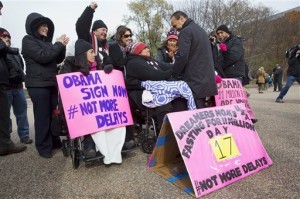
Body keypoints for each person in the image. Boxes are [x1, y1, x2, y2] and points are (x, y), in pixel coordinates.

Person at [22, 12, 69, 158]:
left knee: (52, 115)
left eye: (47, 26)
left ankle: (53, 140)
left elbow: (57, 58)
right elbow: (44, 57)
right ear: (35, 26)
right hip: (38, 85)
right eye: (42, 25)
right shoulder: (28, 40)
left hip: (50, 83)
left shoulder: (48, 43)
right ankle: (43, 146)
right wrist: (57, 45)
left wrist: (63, 46)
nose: (46, 28)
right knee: (42, 116)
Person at [170, 11, 217, 109]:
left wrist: (174, 74)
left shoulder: (186, 31)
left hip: (195, 80)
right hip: (206, 78)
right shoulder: (201, 30)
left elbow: (182, 56)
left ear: (182, 18)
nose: (175, 29)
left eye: (175, 25)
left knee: (196, 113)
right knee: (202, 109)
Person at [125, 42, 173, 128]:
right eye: (145, 48)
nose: (148, 49)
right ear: (137, 51)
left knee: (179, 100)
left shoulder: (151, 60)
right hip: (141, 93)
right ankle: (166, 135)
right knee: (163, 104)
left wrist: (179, 66)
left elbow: (168, 67)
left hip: (158, 90)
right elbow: (155, 75)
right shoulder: (134, 63)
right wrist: (170, 73)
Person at [0, 28, 32, 144]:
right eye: (4, 37)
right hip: (5, 88)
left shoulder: (15, 52)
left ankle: (24, 136)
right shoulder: (1, 52)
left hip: (18, 87)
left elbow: (21, 66)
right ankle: (6, 138)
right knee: (4, 115)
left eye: (8, 37)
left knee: (22, 113)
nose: (7, 39)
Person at [76, 1, 113, 73]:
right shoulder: (87, 39)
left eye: (106, 30)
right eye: (103, 29)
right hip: (88, 76)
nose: (105, 32)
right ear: (94, 31)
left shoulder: (106, 46)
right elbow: (81, 26)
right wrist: (90, 10)